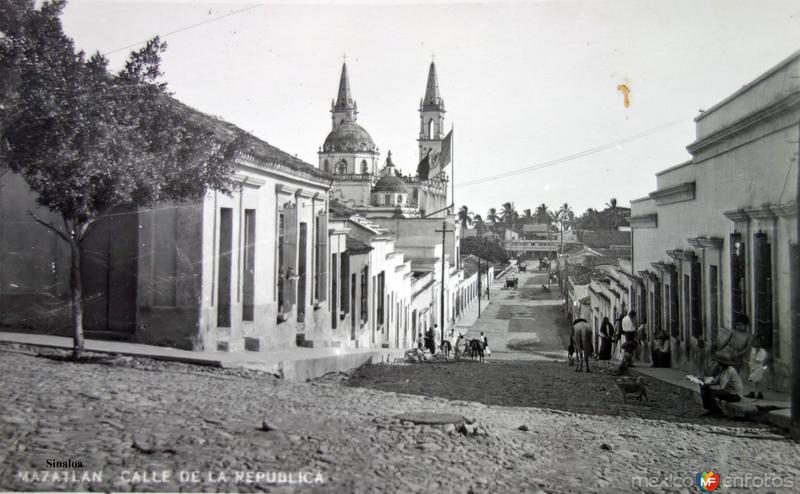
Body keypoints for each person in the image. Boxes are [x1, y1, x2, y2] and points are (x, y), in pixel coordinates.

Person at [745, 335, 770, 399]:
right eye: (754, 341)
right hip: (752, 367)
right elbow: (749, 359)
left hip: (759, 368)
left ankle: (753, 393)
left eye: (757, 341)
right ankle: (758, 394)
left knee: (751, 379)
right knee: (756, 381)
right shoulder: (751, 350)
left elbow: (765, 362)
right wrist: (749, 365)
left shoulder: (764, 352)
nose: (755, 342)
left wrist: (763, 369)